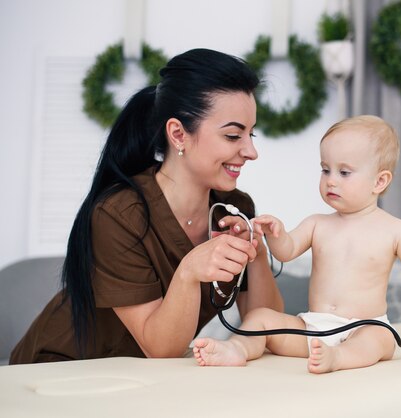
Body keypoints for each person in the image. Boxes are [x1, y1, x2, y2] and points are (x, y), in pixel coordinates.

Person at [10, 48, 283, 364]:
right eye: (234, 135)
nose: (251, 151)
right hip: (63, 369)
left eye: (251, 134)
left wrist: (257, 253)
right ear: (178, 134)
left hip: (144, 379)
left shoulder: (233, 207)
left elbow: (269, 327)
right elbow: (160, 349)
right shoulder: (118, 215)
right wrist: (189, 272)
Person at [193, 115, 401, 374]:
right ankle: (237, 349)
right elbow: (287, 251)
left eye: (344, 173)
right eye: (325, 169)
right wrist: (276, 234)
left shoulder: (394, 230)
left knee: (380, 339)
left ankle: (339, 358)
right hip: (312, 328)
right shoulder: (318, 223)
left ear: (379, 181)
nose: (331, 181)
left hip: (364, 326)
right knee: (260, 318)